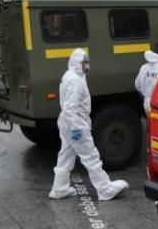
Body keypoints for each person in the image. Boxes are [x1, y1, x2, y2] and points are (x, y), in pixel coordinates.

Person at [50, 48, 128, 201]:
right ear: (78, 63)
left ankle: (59, 189)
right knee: (91, 156)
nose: (87, 65)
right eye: (85, 62)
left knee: (65, 156)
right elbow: (70, 108)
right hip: (75, 124)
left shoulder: (70, 76)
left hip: (67, 123)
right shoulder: (75, 81)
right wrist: (76, 130)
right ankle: (104, 189)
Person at [134, 42, 158, 114]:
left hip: (146, 103)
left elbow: (137, 85)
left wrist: (147, 95)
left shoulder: (144, 67)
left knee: (152, 123)